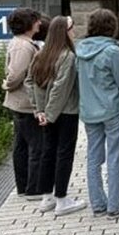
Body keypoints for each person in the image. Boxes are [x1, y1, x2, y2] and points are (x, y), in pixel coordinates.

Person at [76, 8, 119, 218]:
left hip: (89, 110)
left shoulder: (79, 50)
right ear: (112, 27)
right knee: (115, 156)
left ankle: (98, 204)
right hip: (113, 109)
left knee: (93, 158)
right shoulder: (112, 51)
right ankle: (115, 205)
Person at [28, 16, 84, 216]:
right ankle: (62, 199)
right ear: (65, 31)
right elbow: (61, 87)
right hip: (65, 111)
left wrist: (39, 110)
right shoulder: (67, 56)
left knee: (48, 151)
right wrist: (49, 114)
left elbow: (30, 82)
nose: (74, 31)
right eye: (72, 27)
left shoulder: (41, 54)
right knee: (64, 153)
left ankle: (47, 197)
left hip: (45, 114)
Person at [3, 7, 44, 198]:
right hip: (25, 102)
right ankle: (33, 187)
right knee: (35, 145)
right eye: (36, 20)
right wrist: (8, 84)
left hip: (19, 102)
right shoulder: (23, 46)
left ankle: (24, 186)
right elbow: (17, 73)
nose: (39, 23)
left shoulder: (21, 43)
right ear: (28, 24)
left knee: (21, 145)